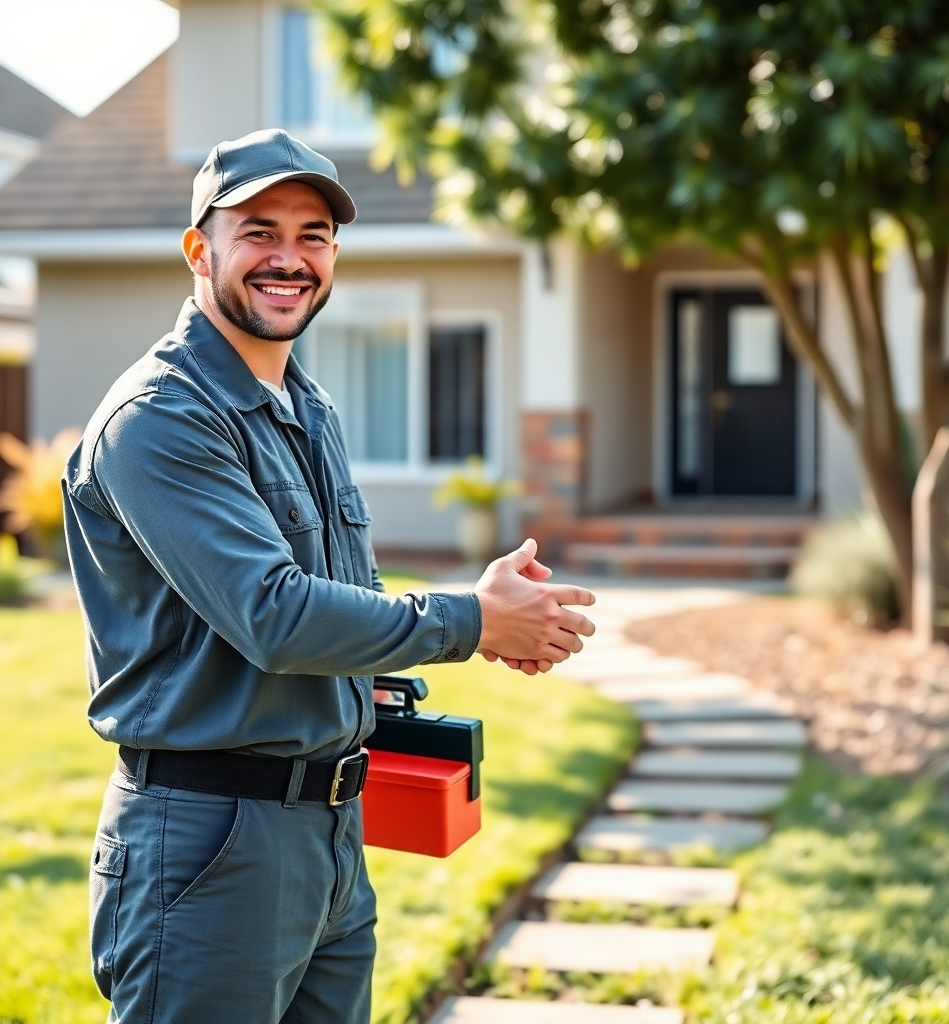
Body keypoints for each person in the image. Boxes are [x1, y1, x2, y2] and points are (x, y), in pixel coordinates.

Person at [63, 129, 595, 1024]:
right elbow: (273, 613)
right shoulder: (160, 419)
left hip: (331, 836)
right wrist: (472, 619)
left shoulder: (306, 404)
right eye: (260, 231)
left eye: (313, 235)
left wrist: (431, 653)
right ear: (201, 250)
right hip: (209, 845)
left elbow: (338, 586)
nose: (289, 258)